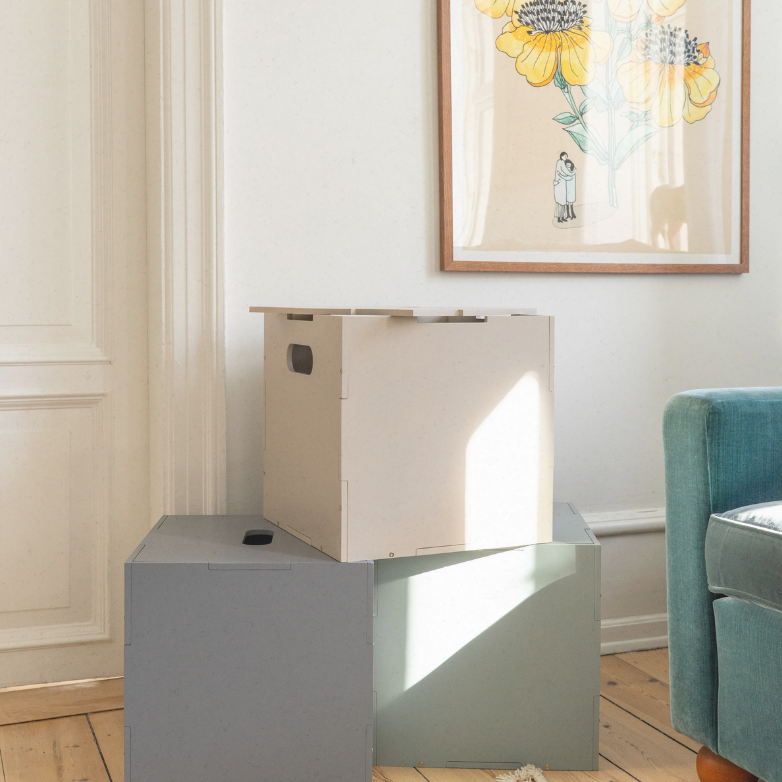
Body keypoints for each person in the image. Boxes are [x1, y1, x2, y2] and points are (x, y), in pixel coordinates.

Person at [553, 152, 574, 223]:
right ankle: (559, 218)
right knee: (559, 202)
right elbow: (564, 171)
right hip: (559, 184)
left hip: (562, 184)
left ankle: (562, 217)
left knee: (563, 202)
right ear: (561, 156)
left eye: (566, 156)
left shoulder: (562, 162)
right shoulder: (560, 162)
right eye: (565, 156)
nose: (566, 158)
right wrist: (571, 173)